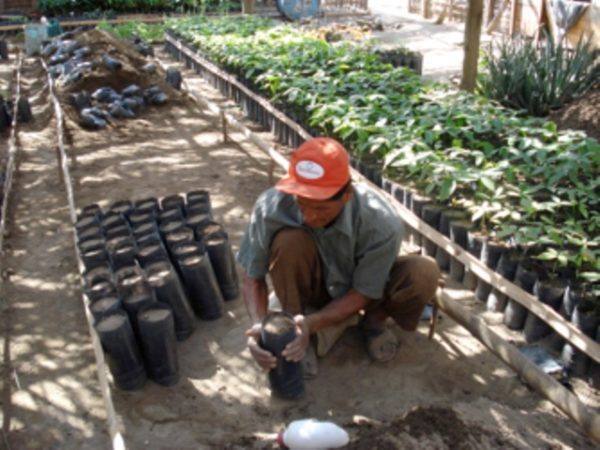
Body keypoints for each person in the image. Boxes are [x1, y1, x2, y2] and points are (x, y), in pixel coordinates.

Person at [237, 137, 440, 376]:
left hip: (362, 291)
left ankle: (373, 323)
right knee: (288, 241)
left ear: (346, 195)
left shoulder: (380, 222)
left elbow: (364, 291)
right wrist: (259, 325)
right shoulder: (271, 207)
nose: (309, 217)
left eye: (320, 208)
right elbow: (253, 276)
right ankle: (295, 329)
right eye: (302, 204)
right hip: (313, 285)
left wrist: (314, 324)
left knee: (424, 272)